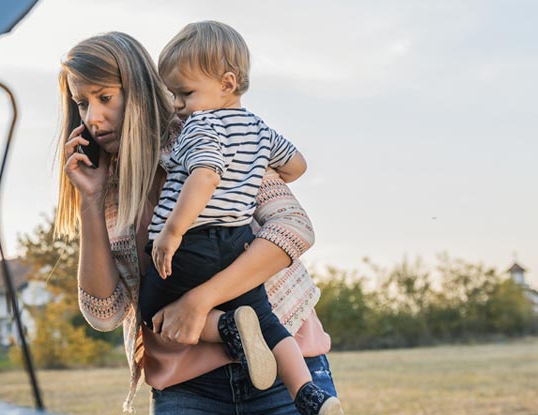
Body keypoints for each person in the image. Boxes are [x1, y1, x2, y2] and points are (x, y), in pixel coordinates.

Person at [54, 31, 337, 414]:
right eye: (82, 104)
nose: (93, 118)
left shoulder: (209, 132)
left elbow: (293, 227)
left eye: (105, 98)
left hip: (285, 368)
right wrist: (89, 200)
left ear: (138, 90)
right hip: (186, 389)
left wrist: (198, 303)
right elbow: (103, 312)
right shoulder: (107, 190)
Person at [138, 21, 341, 415]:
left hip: (193, 243)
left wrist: (172, 231)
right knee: (268, 321)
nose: (177, 105)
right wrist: (254, 172)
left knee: (151, 309)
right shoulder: (259, 130)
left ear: (227, 83)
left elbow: (205, 174)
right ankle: (308, 393)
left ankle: (226, 327)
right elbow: (297, 165)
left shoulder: (200, 126)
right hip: (237, 244)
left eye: (185, 93)